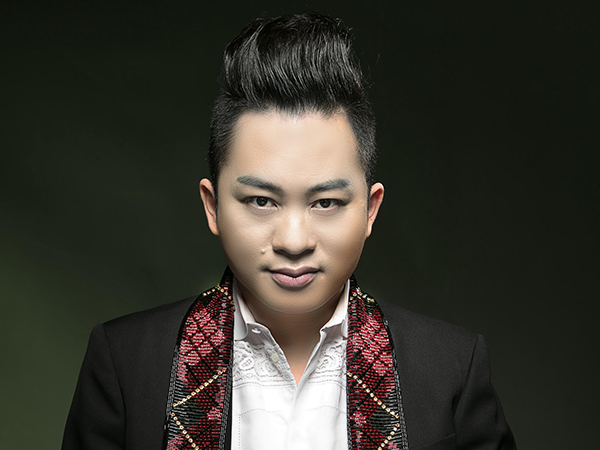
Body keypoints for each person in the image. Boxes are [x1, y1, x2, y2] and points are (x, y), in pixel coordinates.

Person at [62, 13, 517, 450]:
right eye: (262, 201)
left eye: (326, 203)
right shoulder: (126, 362)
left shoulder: (452, 367)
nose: (294, 242)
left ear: (370, 209)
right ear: (212, 206)